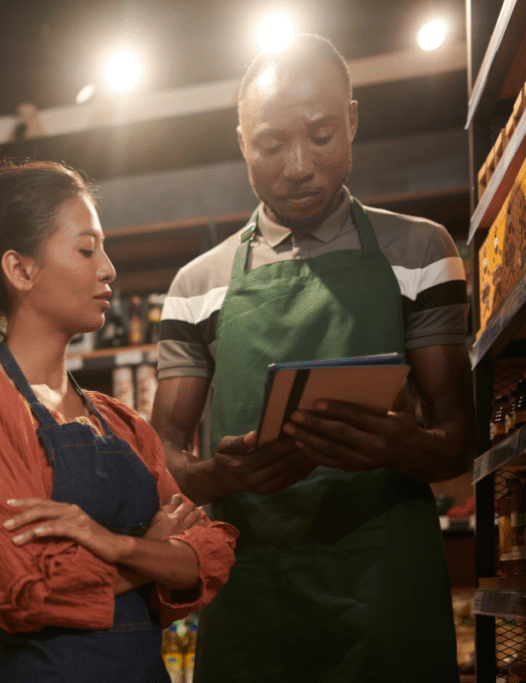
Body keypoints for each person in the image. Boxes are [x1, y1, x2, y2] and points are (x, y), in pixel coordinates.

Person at [151, 34, 476, 682]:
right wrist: (223, 474)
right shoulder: (197, 286)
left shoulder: (421, 252)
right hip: (251, 596)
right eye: (271, 144)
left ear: (353, 120)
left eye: (322, 134)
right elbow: (161, 452)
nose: (298, 165)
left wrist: (400, 447)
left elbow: (462, 435)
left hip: (385, 594)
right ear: (241, 139)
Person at [0, 157, 238, 681]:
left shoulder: (124, 424)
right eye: (86, 248)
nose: (108, 268)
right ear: (20, 269)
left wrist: (113, 543)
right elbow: (25, 589)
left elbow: (211, 553)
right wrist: (153, 552)